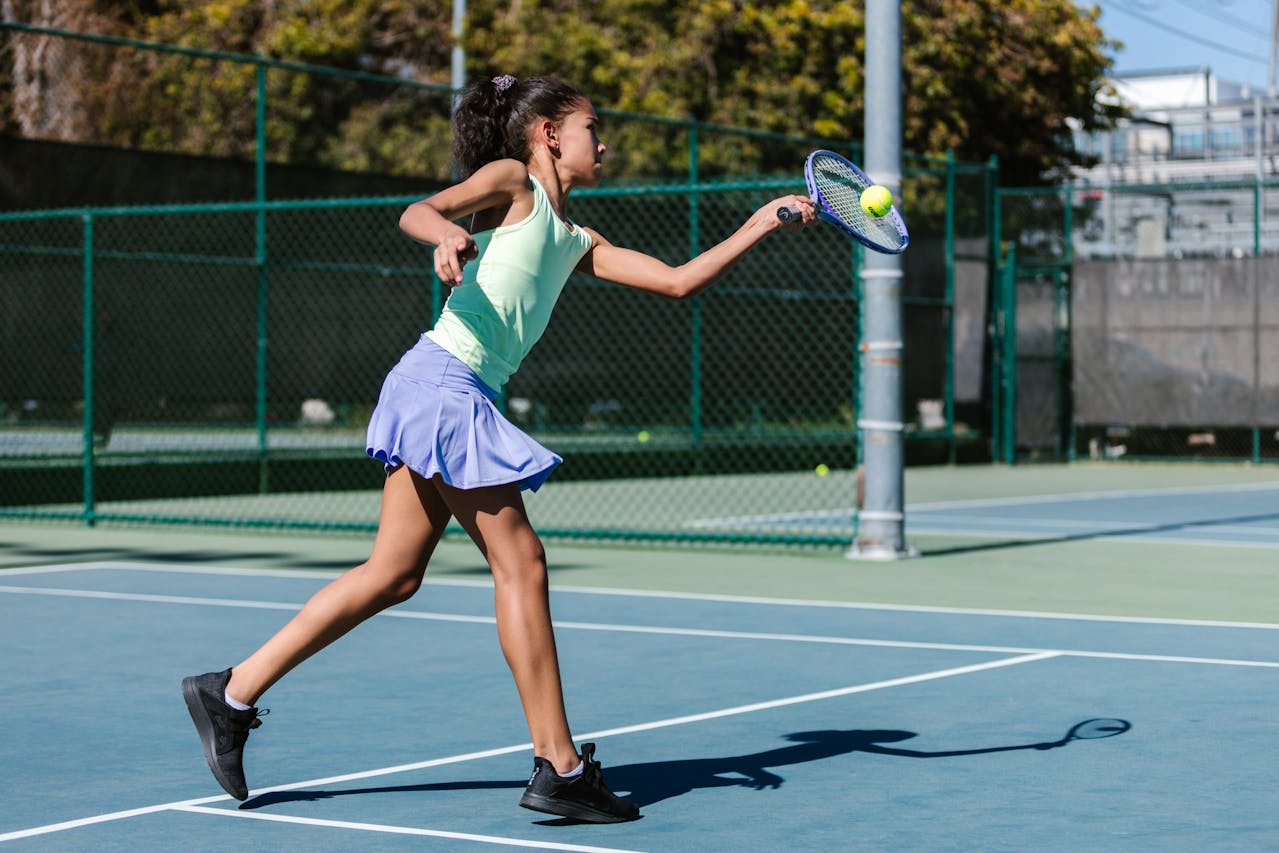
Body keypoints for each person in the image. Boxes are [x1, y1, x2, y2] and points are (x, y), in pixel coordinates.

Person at [182, 73, 814, 824]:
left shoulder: (579, 238)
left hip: (441, 387)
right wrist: (446, 232)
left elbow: (677, 282)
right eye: (590, 127)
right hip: (444, 384)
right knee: (523, 563)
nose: (601, 141)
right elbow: (416, 211)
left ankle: (230, 691)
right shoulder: (513, 181)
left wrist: (759, 223)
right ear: (548, 133)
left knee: (391, 574)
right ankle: (561, 765)